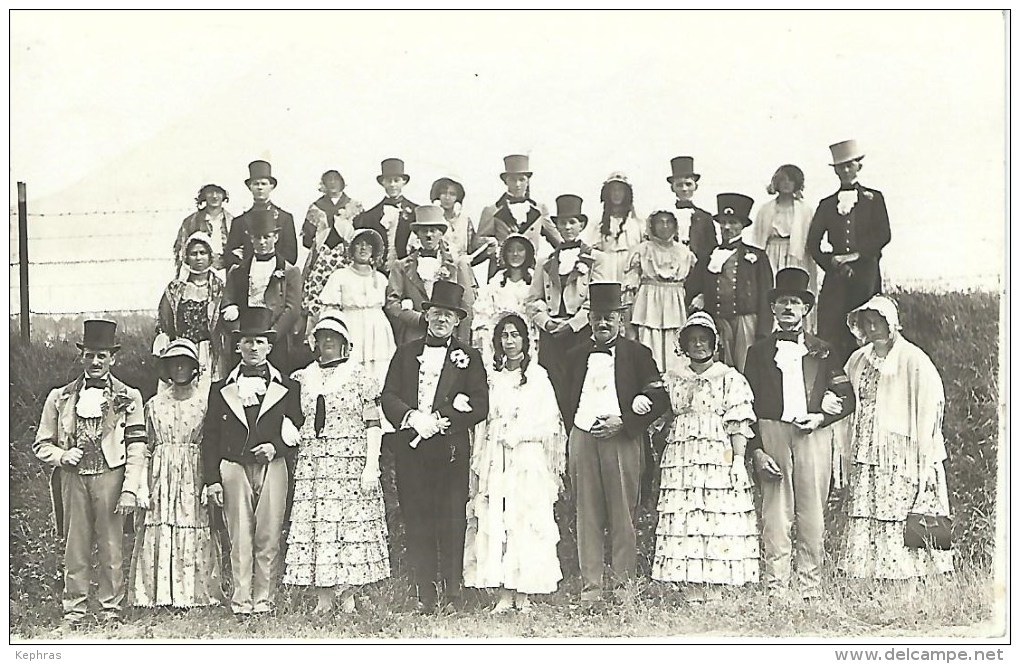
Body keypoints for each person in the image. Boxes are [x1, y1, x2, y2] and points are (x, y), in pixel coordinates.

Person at [742, 268, 856, 601]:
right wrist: (757, 451)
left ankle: (810, 590)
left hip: (812, 436)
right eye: (782, 302)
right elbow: (746, 405)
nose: (788, 308)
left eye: (795, 302)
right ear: (774, 309)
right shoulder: (758, 352)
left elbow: (847, 398)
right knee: (775, 514)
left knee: (812, 513)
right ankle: (777, 590)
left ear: (806, 308)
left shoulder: (824, 350)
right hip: (772, 432)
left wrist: (820, 418)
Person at [381, 281, 489, 613]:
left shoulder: (468, 357)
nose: (441, 320)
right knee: (417, 517)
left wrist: (445, 420)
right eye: (436, 313)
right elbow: (388, 396)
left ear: (457, 321)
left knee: (452, 518)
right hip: (412, 450)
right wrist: (411, 417)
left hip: (449, 452)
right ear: (426, 315)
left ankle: (453, 594)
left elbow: (480, 404)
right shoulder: (405, 353)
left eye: (449, 315)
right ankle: (424, 592)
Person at [33, 319, 148, 628]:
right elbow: (41, 443)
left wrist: (130, 488)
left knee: (112, 546)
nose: (95, 362)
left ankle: (112, 611)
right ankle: (74, 611)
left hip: (110, 475)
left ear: (113, 357)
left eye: (102, 356)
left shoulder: (130, 396)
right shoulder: (60, 397)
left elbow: (137, 445)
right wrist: (62, 455)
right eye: (89, 355)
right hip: (73, 478)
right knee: (75, 546)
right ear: (82, 356)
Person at [561, 282, 669, 604]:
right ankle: (590, 590)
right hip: (582, 438)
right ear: (590, 318)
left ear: (620, 319)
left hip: (621, 439)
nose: (603, 323)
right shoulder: (575, 355)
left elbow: (660, 396)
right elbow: (565, 399)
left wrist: (625, 421)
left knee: (624, 514)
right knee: (587, 514)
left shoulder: (637, 354)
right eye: (597, 317)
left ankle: (624, 589)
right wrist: (574, 432)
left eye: (609, 317)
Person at [835, 294, 953, 580]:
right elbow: (846, 397)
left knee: (898, 509)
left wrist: (922, 448)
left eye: (878, 322)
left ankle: (908, 576)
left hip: (899, 448)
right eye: (867, 322)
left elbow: (931, 402)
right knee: (869, 506)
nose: (873, 327)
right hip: (866, 444)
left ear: (892, 324)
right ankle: (870, 573)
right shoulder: (858, 360)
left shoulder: (913, 359)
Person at [284, 312, 389, 614]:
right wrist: (287, 426)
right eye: (322, 336)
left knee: (349, 527)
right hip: (315, 463)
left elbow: (373, 424)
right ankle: (324, 597)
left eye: (333, 336)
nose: (327, 341)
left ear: (345, 342)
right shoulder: (303, 377)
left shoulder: (361, 378)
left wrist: (372, 465)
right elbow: (293, 413)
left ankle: (348, 598)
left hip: (350, 461)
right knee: (319, 526)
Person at [201, 307, 303, 618]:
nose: (254, 348)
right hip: (233, 466)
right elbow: (210, 437)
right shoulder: (221, 388)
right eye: (247, 342)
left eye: (260, 342)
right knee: (239, 534)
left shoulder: (287, 386)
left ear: (270, 347)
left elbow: (298, 428)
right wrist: (212, 479)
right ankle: (241, 600)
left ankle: (264, 599)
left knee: (268, 534)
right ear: (238, 347)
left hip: (272, 466)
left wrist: (277, 448)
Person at [651, 311, 759, 601]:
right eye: (693, 340)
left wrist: (737, 460)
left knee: (715, 514)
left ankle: (715, 588)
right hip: (683, 456)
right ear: (684, 345)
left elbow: (738, 422)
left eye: (704, 340)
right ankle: (692, 588)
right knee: (686, 515)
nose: (698, 345)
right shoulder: (673, 378)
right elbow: (659, 412)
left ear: (714, 343)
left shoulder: (729, 377)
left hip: (716, 453)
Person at [463, 313, 566, 613]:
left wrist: (519, 435)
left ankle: (524, 593)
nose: (509, 342)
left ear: (525, 340)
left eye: (515, 335)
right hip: (498, 459)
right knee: (499, 520)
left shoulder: (538, 377)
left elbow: (550, 423)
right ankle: (504, 594)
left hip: (526, 458)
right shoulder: (492, 380)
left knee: (525, 522)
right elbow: (483, 420)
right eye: (504, 336)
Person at [130, 339, 222, 609]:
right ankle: (157, 595)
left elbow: (211, 443)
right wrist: (142, 486)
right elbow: (145, 446)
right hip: (161, 474)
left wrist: (209, 482)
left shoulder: (205, 404)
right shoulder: (154, 405)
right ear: (166, 368)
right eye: (174, 363)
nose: (180, 368)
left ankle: (193, 594)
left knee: (194, 526)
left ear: (195, 368)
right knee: (160, 525)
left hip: (194, 473)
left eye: (185, 363)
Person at [807, 140, 891, 365]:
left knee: (868, 328)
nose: (845, 171)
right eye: (840, 167)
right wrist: (833, 263)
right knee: (833, 331)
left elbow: (883, 235)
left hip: (866, 277)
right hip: (837, 280)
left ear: (858, 167)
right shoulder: (826, 205)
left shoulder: (874, 199)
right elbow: (813, 244)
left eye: (849, 165)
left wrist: (856, 255)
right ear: (835, 170)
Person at [525, 194, 607, 421]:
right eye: (562, 222)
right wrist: (546, 322)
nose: (567, 227)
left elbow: (598, 300)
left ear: (581, 224)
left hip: (580, 333)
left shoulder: (596, 258)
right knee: (552, 390)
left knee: (579, 389)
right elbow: (532, 300)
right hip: (551, 334)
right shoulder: (545, 260)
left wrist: (573, 325)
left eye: (572, 222)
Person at [687, 193, 774, 372]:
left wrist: (763, 332)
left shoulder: (756, 256)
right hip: (718, 322)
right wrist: (701, 296)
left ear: (742, 225)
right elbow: (692, 287)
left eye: (733, 222)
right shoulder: (707, 257)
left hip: (746, 322)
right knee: (720, 369)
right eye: (723, 222)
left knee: (748, 368)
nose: (727, 227)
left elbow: (767, 296)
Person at [221, 209, 303, 372]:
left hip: (275, 339)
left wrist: (271, 336)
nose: (262, 242)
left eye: (267, 237)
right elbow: (227, 302)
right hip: (245, 339)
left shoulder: (289, 271)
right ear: (251, 238)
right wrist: (240, 335)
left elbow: (292, 309)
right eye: (257, 237)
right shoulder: (238, 271)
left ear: (276, 237)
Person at [384, 204, 476, 346]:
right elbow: (392, 303)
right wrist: (417, 318)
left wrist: (463, 342)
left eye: (433, 231)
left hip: (449, 334)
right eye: (424, 231)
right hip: (414, 336)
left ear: (441, 234)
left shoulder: (457, 265)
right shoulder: (401, 266)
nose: (428, 235)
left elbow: (466, 305)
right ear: (417, 234)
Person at [315, 228, 395, 386]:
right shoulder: (340, 276)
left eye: (368, 245)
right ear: (351, 249)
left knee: (379, 371)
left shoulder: (381, 278)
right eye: (359, 244)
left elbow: (391, 306)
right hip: (352, 326)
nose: (363, 248)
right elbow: (329, 311)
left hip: (378, 330)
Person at [745, 164, 818, 331]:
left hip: (797, 255)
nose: (786, 183)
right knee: (774, 291)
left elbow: (810, 238)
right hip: (771, 254)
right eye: (782, 179)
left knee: (796, 292)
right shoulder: (766, 209)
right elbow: (758, 238)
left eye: (791, 180)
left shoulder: (805, 210)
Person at [299, 169, 365, 352]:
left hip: (347, 259)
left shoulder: (355, 206)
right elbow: (306, 240)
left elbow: (363, 235)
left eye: (337, 179)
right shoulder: (315, 207)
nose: (333, 183)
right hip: (322, 260)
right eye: (329, 180)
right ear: (323, 184)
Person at [625, 209, 697, 374]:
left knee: (675, 346)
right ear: (652, 225)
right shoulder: (642, 250)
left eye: (669, 222)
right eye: (660, 222)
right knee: (650, 341)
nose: (665, 226)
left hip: (675, 303)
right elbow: (630, 285)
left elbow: (693, 283)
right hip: (649, 302)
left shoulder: (685, 252)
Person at [155, 231, 227, 387]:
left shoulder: (219, 287)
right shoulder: (175, 288)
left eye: (203, 253)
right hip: (181, 350)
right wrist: (163, 337)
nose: (199, 258)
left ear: (210, 256)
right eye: (194, 254)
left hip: (208, 352)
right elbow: (164, 318)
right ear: (186, 257)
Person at [476, 154, 562, 274]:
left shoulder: (539, 210)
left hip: (530, 273)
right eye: (512, 180)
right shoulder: (492, 210)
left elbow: (559, 242)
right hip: (501, 272)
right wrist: (493, 246)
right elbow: (477, 244)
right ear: (506, 181)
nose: (517, 184)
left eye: (521, 179)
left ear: (528, 181)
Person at [585, 172, 644, 333]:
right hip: (607, 272)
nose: (617, 194)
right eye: (613, 190)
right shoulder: (598, 223)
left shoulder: (637, 222)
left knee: (629, 316)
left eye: (620, 190)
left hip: (629, 273)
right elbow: (591, 250)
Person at [471, 233, 537, 371]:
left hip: (527, 335)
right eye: (510, 250)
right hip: (500, 336)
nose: (515, 254)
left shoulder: (535, 280)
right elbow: (483, 311)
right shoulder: (497, 281)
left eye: (520, 249)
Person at [224, 160, 298, 269]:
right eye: (256, 184)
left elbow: (291, 255)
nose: (259, 187)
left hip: (277, 276)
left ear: (271, 186)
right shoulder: (240, 222)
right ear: (250, 187)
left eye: (263, 183)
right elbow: (230, 255)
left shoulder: (284, 219)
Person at [354, 158, 420, 270]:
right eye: (389, 181)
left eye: (396, 180)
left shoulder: (416, 212)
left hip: (408, 269)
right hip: (379, 270)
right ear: (383, 183)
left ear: (403, 182)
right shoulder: (370, 216)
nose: (392, 185)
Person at [172, 184, 233, 280]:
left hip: (226, 274)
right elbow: (181, 250)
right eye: (210, 192)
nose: (214, 196)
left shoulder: (233, 222)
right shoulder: (191, 222)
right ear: (204, 195)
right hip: (197, 275)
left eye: (218, 192)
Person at [430, 175, 496, 265]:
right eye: (443, 193)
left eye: (452, 194)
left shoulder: (465, 220)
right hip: (437, 268)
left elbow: (472, 247)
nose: (447, 197)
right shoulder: (432, 219)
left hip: (461, 269)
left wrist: (487, 242)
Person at [667, 156, 717, 262]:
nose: (684, 189)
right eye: (679, 185)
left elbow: (711, 248)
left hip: (697, 270)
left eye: (688, 184)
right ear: (672, 188)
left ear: (695, 186)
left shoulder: (705, 218)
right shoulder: (665, 216)